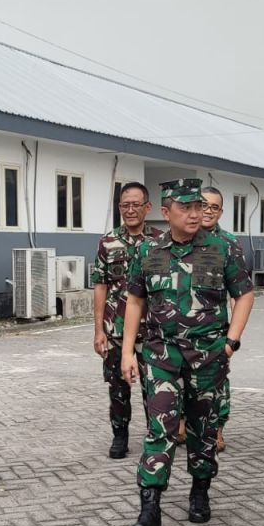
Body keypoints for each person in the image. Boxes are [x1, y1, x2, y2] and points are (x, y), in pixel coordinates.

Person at [121, 179, 254, 526]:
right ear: (166, 213)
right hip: (161, 355)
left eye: (199, 206)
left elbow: (244, 295)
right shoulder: (147, 251)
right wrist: (126, 352)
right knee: (160, 428)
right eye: (186, 208)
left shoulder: (224, 248)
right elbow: (134, 301)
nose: (196, 214)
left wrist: (231, 341)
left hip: (209, 356)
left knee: (202, 429)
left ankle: (200, 491)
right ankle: (150, 510)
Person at [91, 182, 162, 458]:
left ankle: (154, 437)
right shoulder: (108, 242)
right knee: (118, 389)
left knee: (153, 389)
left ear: (148, 207)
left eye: (135, 204)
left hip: (153, 332)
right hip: (116, 330)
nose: (130, 210)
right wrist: (99, 330)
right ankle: (119, 437)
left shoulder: (158, 243)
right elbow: (100, 285)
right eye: (124, 205)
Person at [195, 185, 239, 452]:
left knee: (218, 382)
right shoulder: (182, 239)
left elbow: (239, 293)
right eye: (203, 205)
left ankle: (217, 429)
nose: (208, 211)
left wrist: (233, 337)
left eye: (214, 207)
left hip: (216, 329)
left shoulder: (229, 243)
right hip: (184, 329)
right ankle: (184, 426)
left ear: (221, 212)